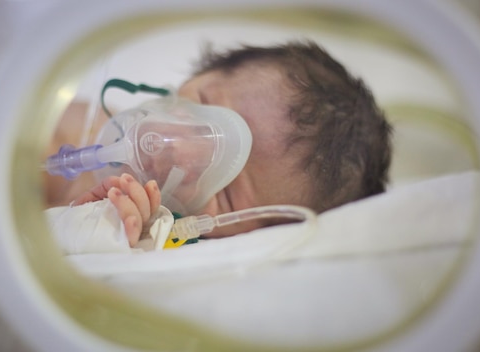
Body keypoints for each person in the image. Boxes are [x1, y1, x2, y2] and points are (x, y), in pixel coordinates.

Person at [50, 40, 393, 248]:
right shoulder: (79, 123)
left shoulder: (145, 237)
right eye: (202, 100)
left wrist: (102, 230)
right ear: (198, 74)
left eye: (226, 193)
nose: (179, 150)